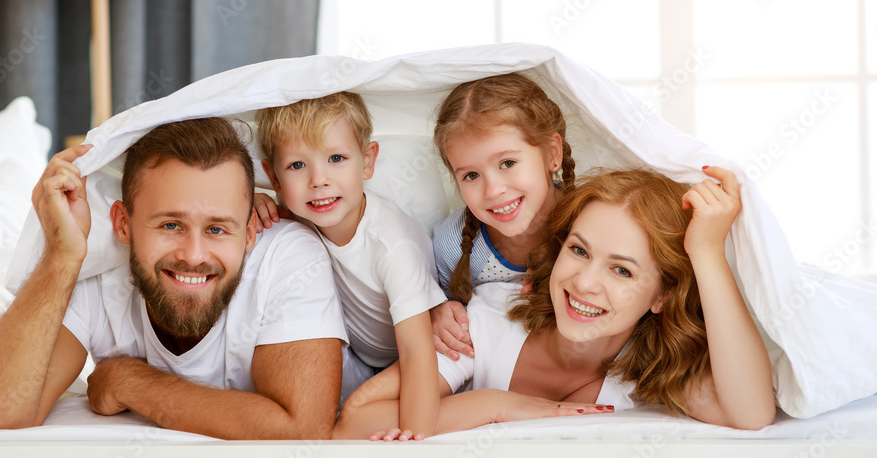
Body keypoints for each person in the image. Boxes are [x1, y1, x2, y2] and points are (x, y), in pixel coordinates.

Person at [0, 118, 348, 440]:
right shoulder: (95, 275)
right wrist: (61, 256)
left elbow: (303, 431)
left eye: (217, 229)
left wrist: (129, 381)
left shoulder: (286, 256)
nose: (193, 256)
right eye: (171, 224)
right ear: (122, 224)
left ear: (248, 232)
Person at [333, 168, 776, 439]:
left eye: (621, 271)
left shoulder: (651, 370)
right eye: (579, 251)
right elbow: (354, 422)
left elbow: (752, 413)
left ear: (661, 295)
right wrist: (496, 405)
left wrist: (706, 253)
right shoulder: (490, 320)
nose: (584, 283)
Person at [255, 92, 446, 439]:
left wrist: (413, 436)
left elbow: (417, 352)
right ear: (275, 177)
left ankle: (492, 405)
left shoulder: (391, 244)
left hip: (416, 354)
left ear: (367, 161)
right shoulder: (305, 209)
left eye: (337, 158)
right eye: (298, 165)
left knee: (357, 423)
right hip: (360, 355)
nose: (318, 180)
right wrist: (251, 199)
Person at [429, 72, 576, 361]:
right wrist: (436, 312)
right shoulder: (452, 245)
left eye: (508, 163)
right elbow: (443, 304)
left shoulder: (591, 225)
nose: (494, 190)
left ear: (552, 153)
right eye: (471, 175)